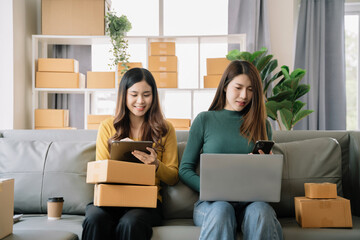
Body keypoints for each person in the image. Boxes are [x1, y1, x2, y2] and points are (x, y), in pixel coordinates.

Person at [179, 60, 283, 240]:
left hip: (251, 204)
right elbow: (184, 169)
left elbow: (267, 181)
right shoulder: (204, 120)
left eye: (250, 90)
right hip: (212, 205)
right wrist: (212, 189)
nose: (244, 95)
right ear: (225, 86)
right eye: (238, 87)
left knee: (261, 212)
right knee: (221, 210)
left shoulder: (263, 125)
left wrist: (267, 165)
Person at [82, 68, 179, 240]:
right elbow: (100, 172)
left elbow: (172, 177)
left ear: (154, 96)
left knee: (131, 223)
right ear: (124, 96)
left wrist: (156, 166)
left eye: (146, 94)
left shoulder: (165, 129)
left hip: (145, 202)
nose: (140, 101)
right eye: (134, 94)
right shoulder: (107, 127)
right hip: (111, 197)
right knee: (95, 219)